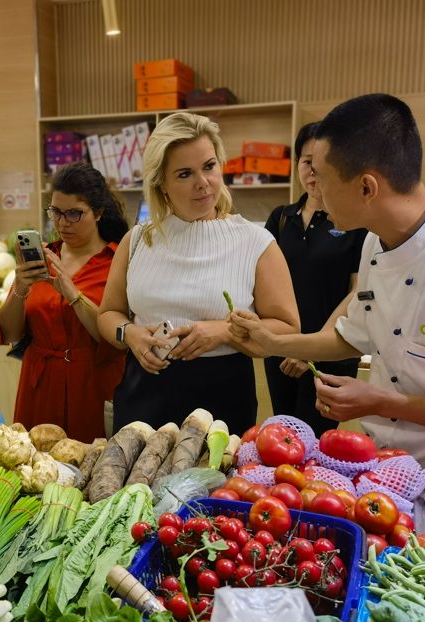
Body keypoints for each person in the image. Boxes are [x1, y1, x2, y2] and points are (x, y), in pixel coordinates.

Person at [228, 93, 425, 476]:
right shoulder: (375, 241)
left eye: (323, 178)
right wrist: (273, 343)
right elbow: (355, 334)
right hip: (386, 469)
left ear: (367, 188)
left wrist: (382, 402)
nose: (315, 189)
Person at [99, 112, 300, 435]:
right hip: (142, 393)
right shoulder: (136, 240)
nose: (202, 182)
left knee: (218, 470)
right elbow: (109, 313)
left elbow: (288, 329)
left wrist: (224, 332)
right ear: (161, 184)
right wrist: (129, 334)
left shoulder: (256, 242)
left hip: (221, 397)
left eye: (209, 166)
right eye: (184, 174)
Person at [0, 162, 128, 442]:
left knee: (90, 461)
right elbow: (10, 333)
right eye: (56, 212)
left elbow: (116, 339)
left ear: (98, 212)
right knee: (35, 462)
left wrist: (71, 292)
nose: (63, 223)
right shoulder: (43, 258)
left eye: (74, 213)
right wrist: (20, 287)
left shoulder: (117, 262)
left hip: (92, 386)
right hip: (39, 385)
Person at [264, 122, 366, 434]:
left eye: (321, 163)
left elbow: (358, 290)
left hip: (330, 353)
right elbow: (261, 283)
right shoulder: (281, 218)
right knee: (282, 439)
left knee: (317, 443)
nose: (313, 171)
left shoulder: (354, 222)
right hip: (280, 352)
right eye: (306, 161)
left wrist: (310, 348)